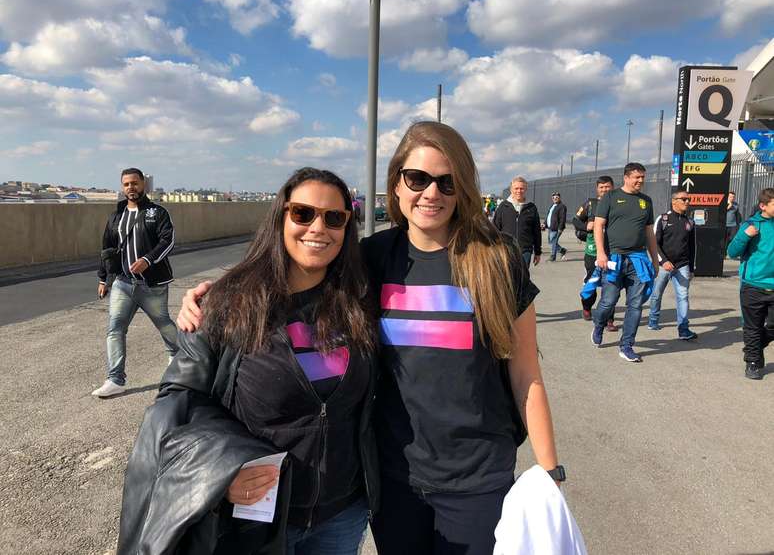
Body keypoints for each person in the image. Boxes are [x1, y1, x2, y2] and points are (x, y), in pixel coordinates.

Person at [178, 122, 562, 554]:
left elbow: (527, 373)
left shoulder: (497, 260)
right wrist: (219, 292)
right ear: (397, 184)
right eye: (417, 179)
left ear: (463, 189)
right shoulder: (373, 257)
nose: (431, 193)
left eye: (446, 182)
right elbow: (302, 270)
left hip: (478, 479)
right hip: (394, 478)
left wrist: (550, 473)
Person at [121, 168, 380, 553]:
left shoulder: (358, 301)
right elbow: (178, 399)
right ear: (281, 218)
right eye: (303, 214)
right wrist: (222, 474)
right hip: (256, 520)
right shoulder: (230, 302)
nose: (318, 227)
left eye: (334, 217)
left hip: (341, 515)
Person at [92, 168, 178, 398]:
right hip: (123, 283)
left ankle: (178, 355)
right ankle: (115, 379)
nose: (131, 187)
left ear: (143, 185)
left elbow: (168, 241)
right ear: (123, 187)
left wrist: (147, 260)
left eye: (135, 183)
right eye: (126, 184)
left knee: (163, 322)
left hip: (152, 284)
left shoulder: (157, 212)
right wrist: (103, 278)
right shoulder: (116, 216)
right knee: (115, 329)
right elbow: (107, 249)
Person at [591, 163, 659, 363]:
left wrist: (655, 260)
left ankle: (627, 345)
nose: (640, 181)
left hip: (638, 260)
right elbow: (598, 225)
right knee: (608, 302)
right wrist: (601, 253)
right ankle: (599, 324)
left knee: (635, 305)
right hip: (614, 259)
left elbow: (649, 233)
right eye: (637, 177)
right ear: (626, 177)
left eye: (643, 177)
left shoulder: (646, 201)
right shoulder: (610, 197)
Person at [727, 188, 774, 380]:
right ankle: (752, 362)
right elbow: (732, 251)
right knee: (752, 327)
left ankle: (753, 348)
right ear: (763, 206)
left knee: (772, 326)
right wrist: (745, 235)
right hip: (753, 285)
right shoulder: (751, 224)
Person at [647, 191, 698, 340]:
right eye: (684, 199)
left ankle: (683, 330)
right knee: (656, 294)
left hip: (682, 266)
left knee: (683, 296)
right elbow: (654, 243)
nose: (687, 202)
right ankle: (653, 320)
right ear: (674, 201)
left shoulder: (690, 222)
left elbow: (692, 247)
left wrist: (691, 268)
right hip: (664, 266)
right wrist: (663, 262)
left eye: (689, 199)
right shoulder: (663, 219)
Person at [573, 176, 616, 330]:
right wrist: (586, 226)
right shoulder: (590, 204)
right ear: (597, 189)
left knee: (611, 285)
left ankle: (608, 320)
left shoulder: (617, 203)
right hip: (592, 252)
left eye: (607, 187)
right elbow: (575, 220)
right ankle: (587, 307)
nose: (605, 190)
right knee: (591, 283)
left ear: (613, 187)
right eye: (602, 187)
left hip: (613, 251)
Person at [493, 176, 542, 268]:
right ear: (511, 190)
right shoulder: (503, 207)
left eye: (522, 188)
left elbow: (536, 231)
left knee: (523, 278)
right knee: (508, 278)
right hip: (506, 250)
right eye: (516, 188)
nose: (519, 191)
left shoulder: (531, 208)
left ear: (526, 189)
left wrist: (538, 252)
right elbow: (495, 229)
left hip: (525, 250)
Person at [546, 192, 567, 261]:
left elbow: (562, 218)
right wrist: (544, 224)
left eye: (557, 197)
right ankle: (562, 250)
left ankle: (553, 256)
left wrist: (560, 228)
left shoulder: (562, 206)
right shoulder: (552, 206)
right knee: (551, 241)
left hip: (556, 228)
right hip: (550, 227)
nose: (555, 199)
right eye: (554, 198)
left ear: (559, 198)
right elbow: (548, 216)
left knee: (554, 241)